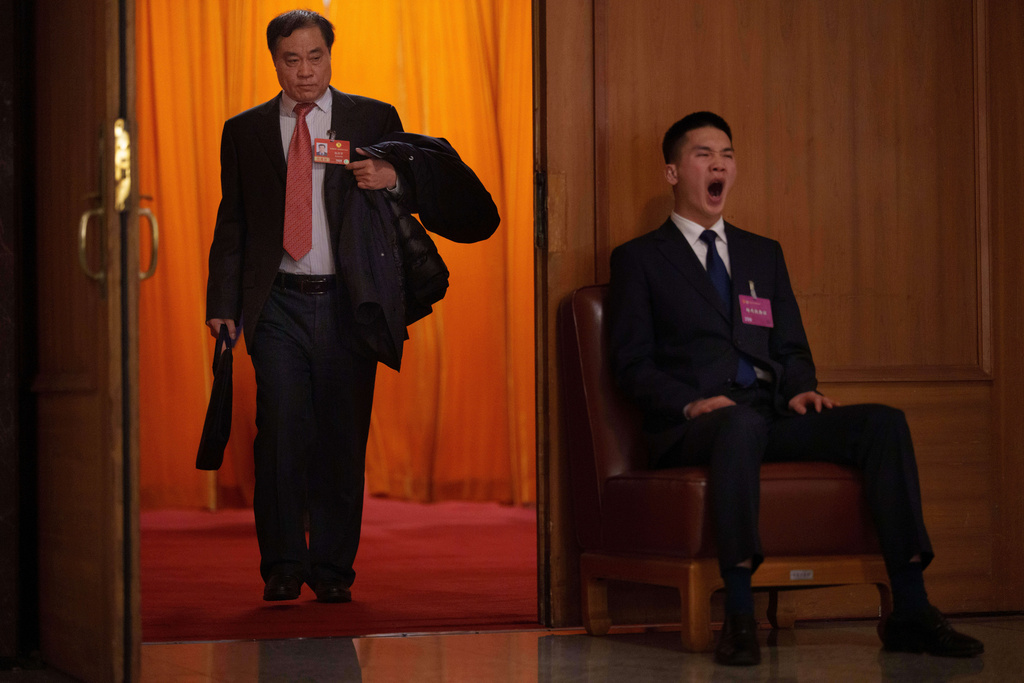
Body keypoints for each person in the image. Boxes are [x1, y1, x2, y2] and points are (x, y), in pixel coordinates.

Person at [607, 111, 984, 666]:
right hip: (694, 424)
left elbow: (791, 348)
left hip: (769, 414)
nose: (719, 164)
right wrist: (689, 402)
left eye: (728, 155)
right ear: (671, 172)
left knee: (883, 424)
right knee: (735, 422)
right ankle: (738, 614)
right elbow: (631, 364)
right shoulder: (639, 259)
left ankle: (911, 606)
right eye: (704, 154)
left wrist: (802, 389)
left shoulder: (764, 253)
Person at [205, 9, 409, 604]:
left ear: (330, 54)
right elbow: (233, 221)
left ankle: (333, 570)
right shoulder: (243, 131)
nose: (304, 72)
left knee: (342, 437)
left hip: (350, 302)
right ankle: (283, 563)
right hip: (278, 306)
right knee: (281, 434)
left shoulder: (371, 118)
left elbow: (413, 191)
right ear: (275, 62)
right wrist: (223, 303)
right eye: (291, 60)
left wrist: (392, 174)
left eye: (314, 57)